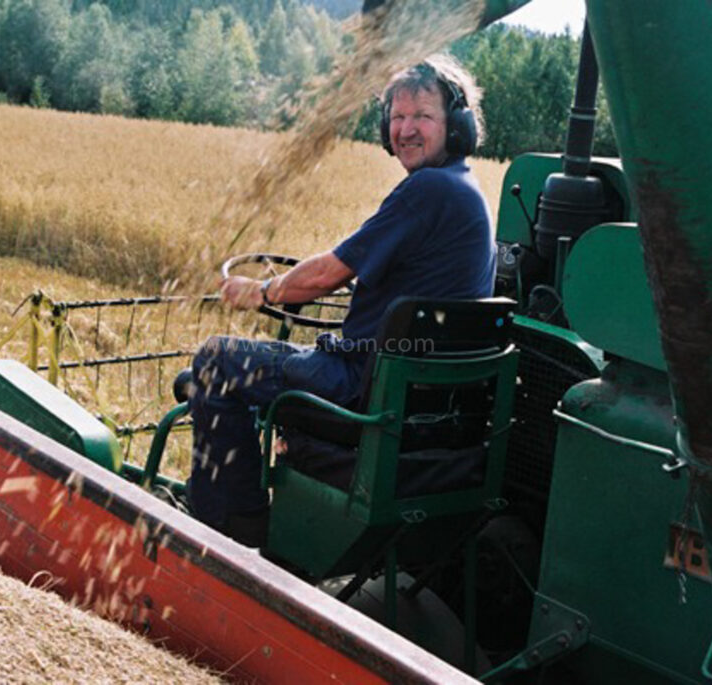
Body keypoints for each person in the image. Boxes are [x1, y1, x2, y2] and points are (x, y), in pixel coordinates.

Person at [187, 54, 496, 546]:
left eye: (422, 116)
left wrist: (262, 292)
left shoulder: (428, 190)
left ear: (455, 125)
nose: (406, 128)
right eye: (396, 117)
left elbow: (331, 270)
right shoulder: (465, 191)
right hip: (416, 402)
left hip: (362, 390)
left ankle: (230, 529)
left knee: (213, 364)